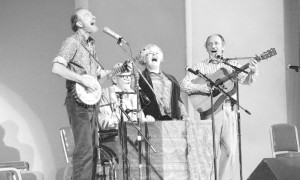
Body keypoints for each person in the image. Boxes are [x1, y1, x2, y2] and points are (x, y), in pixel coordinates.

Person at [180, 34, 258, 180]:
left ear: (223, 46)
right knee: (209, 152)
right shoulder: (199, 66)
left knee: (229, 151)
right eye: (210, 44)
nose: (213, 46)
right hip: (210, 112)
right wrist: (204, 88)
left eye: (216, 43)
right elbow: (184, 85)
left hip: (229, 110)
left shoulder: (231, 65)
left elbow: (247, 81)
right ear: (206, 48)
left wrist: (253, 72)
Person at [52, 8, 103, 180]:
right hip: (78, 103)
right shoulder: (72, 42)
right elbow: (57, 68)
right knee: (84, 150)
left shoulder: (91, 44)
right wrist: (81, 79)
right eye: (88, 15)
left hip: (91, 102)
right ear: (79, 23)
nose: (93, 16)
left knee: (94, 149)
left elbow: (96, 76)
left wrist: (116, 70)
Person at [138, 44, 189, 121]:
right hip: (152, 120)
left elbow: (178, 99)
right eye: (151, 53)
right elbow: (136, 100)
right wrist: (141, 117)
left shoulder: (171, 79)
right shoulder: (140, 78)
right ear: (144, 59)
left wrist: (185, 115)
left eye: (157, 53)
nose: (154, 54)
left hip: (172, 120)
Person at [98, 63, 155, 130]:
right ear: (114, 79)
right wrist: (124, 124)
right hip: (115, 137)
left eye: (129, 76)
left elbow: (139, 117)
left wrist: (146, 120)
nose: (128, 79)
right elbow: (103, 121)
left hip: (134, 135)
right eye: (124, 76)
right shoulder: (107, 94)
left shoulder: (133, 95)